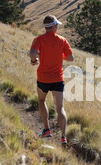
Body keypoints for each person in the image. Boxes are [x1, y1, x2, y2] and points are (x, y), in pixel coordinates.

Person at [30, 15, 74, 145]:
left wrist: (34, 60)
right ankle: (63, 137)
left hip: (43, 78)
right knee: (60, 108)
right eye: (57, 26)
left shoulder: (38, 39)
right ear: (54, 26)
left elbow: (33, 53)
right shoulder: (62, 40)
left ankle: (47, 130)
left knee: (41, 100)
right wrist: (59, 55)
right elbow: (71, 58)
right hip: (58, 79)